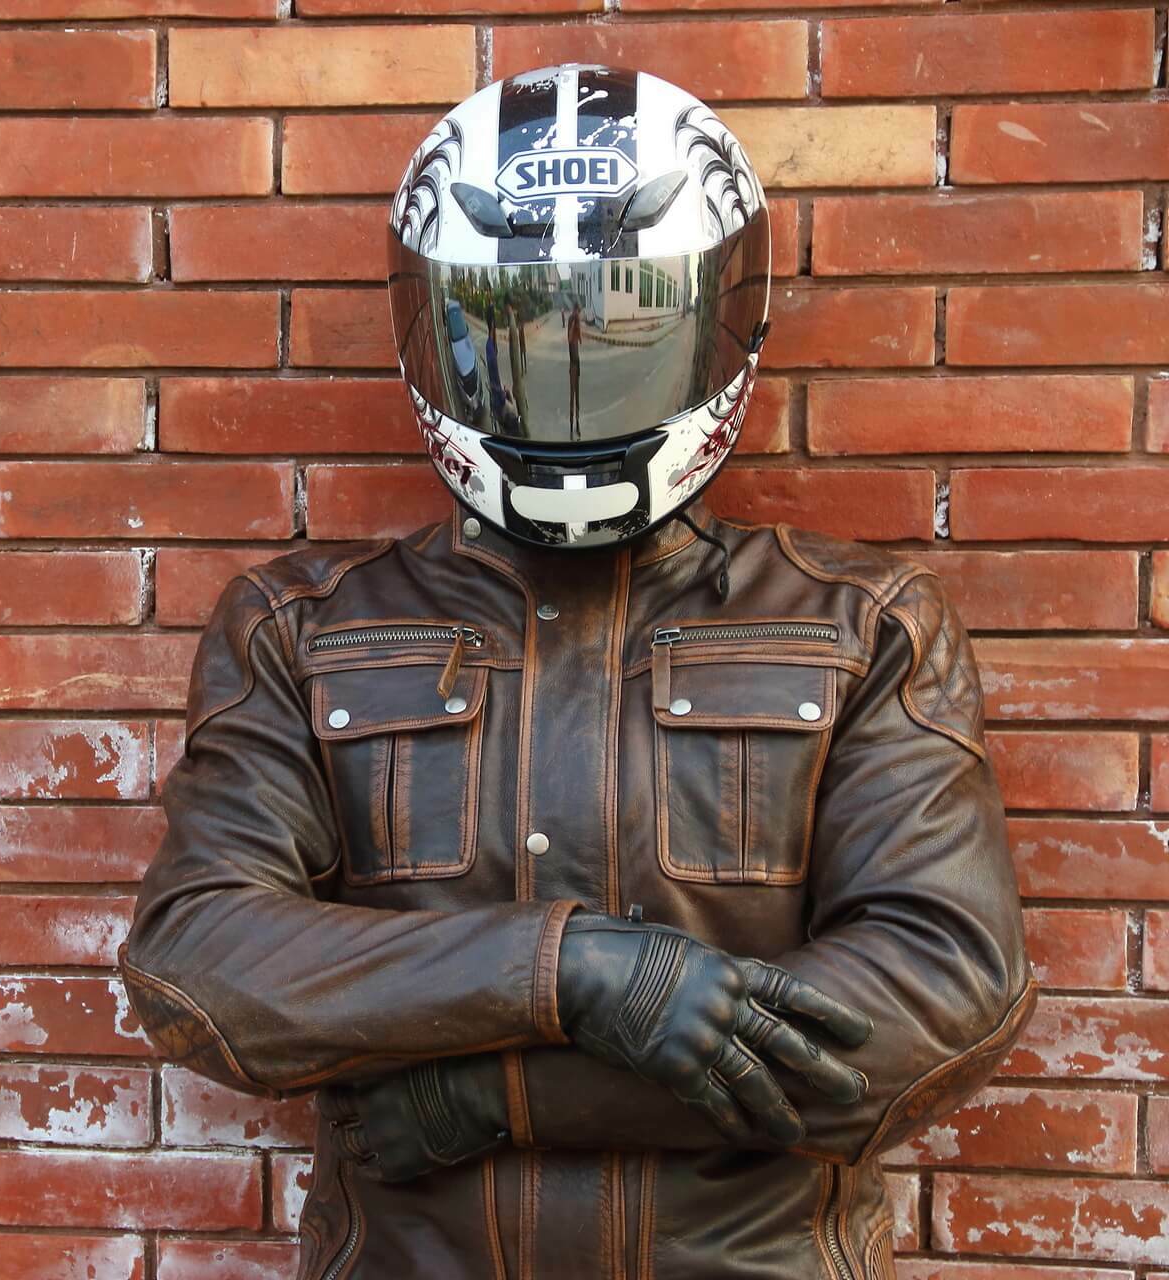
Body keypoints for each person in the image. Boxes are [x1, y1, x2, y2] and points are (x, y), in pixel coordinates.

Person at [118, 63, 1033, 1279]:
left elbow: (941, 999)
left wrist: (499, 1095)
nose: (567, 349)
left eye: (619, 314)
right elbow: (202, 966)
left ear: (717, 320)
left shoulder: (858, 622)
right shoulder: (305, 625)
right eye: (513, 316)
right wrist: (574, 971)